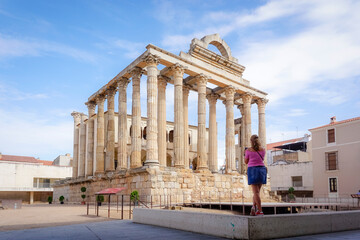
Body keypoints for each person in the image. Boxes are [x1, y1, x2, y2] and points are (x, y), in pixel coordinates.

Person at [245, 134, 267, 216]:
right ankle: (253, 208)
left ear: (251, 141)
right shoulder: (263, 150)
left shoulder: (248, 151)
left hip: (253, 170)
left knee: (256, 192)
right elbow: (261, 159)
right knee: (257, 192)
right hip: (261, 170)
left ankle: (260, 211)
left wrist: (245, 154)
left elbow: (246, 161)